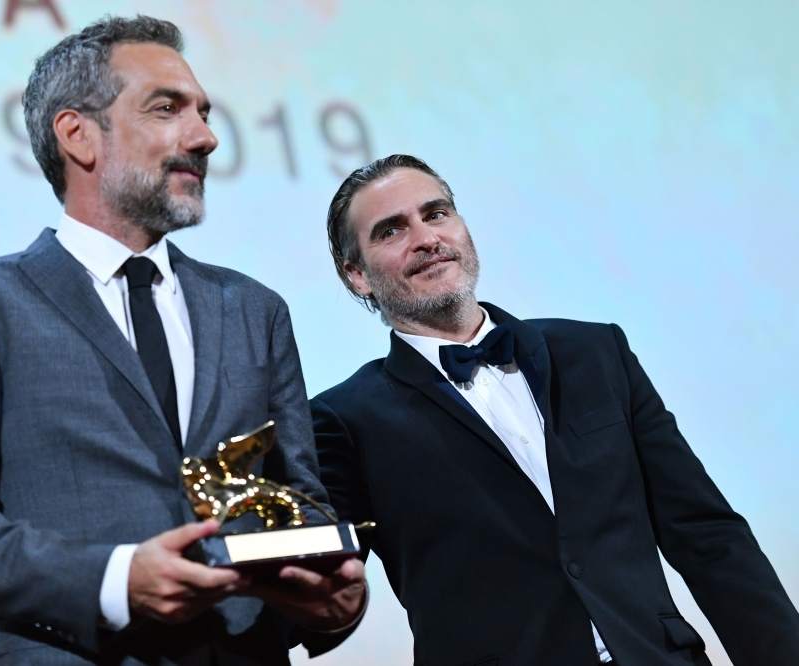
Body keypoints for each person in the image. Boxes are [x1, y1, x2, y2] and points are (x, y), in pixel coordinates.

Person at [0, 16, 365, 666]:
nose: (205, 138)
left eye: (203, 112)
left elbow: (299, 498)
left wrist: (333, 595)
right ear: (78, 135)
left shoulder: (256, 310)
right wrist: (114, 581)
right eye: (167, 108)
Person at [310, 154, 799, 666]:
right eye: (391, 231)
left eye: (436, 214)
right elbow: (315, 588)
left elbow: (707, 534)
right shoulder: (344, 420)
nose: (426, 238)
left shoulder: (595, 352)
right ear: (356, 275)